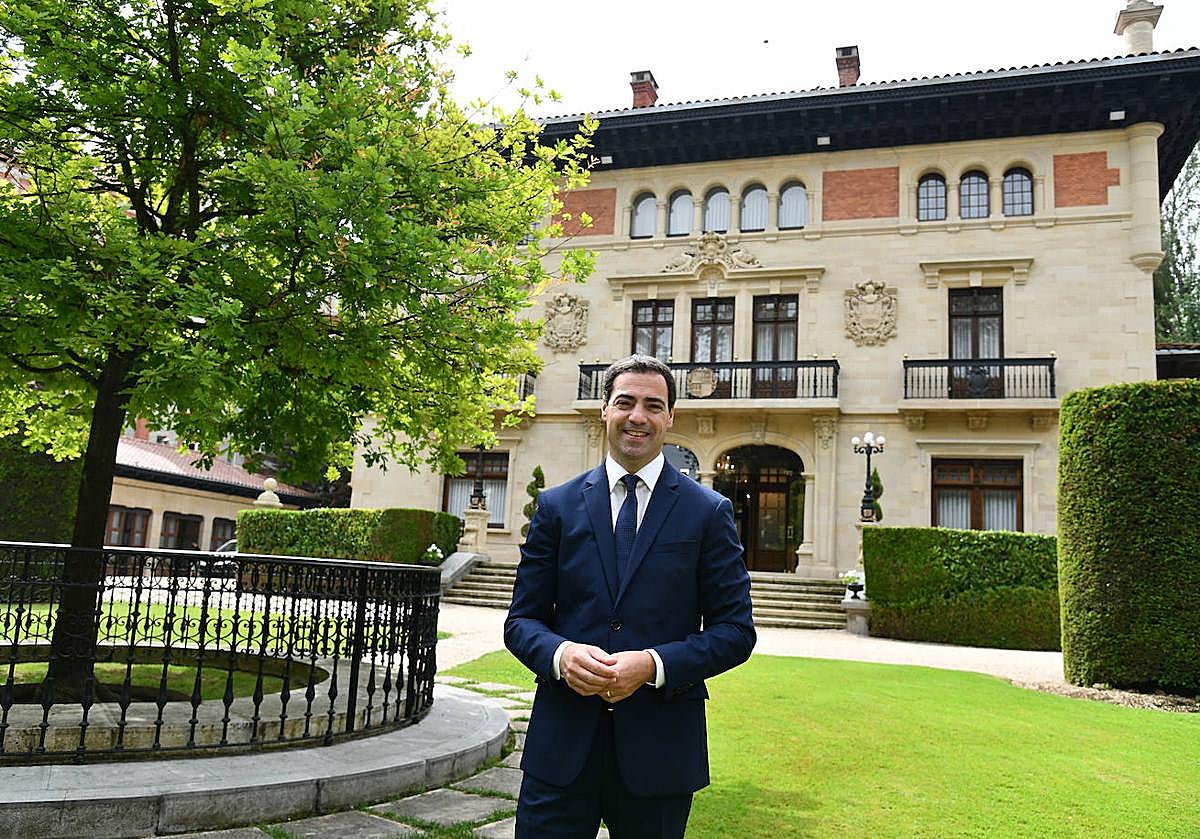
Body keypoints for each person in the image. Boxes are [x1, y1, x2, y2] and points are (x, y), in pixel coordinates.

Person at [505, 354, 756, 839]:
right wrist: (560, 654)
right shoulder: (556, 507)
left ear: (670, 417)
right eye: (625, 402)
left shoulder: (708, 512)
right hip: (561, 750)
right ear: (605, 409)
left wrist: (653, 665)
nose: (637, 416)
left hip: (660, 754)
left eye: (652, 405)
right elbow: (521, 622)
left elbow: (735, 633)